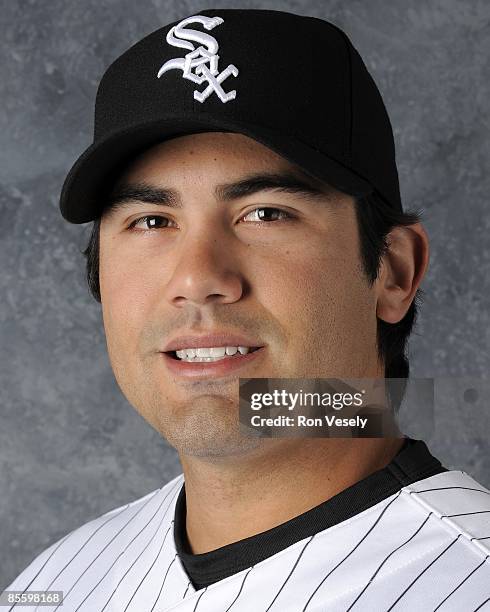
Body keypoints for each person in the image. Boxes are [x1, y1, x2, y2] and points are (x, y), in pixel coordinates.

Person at [4, 8, 489, 612]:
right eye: (152, 221)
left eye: (265, 213)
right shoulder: (53, 584)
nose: (199, 279)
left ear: (393, 271)